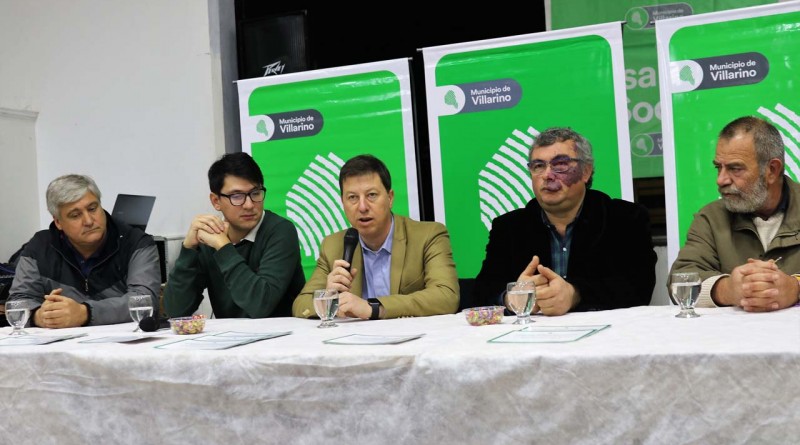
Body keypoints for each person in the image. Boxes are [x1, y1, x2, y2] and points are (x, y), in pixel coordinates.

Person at [474, 127, 657, 315]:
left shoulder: (626, 218)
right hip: (534, 332)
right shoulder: (509, 227)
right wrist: (511, 297)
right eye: (538, 166)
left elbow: (639, 288)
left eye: (560, 164)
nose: (547, 175)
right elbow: (481, 292)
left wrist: (575, 294)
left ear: (586, 171)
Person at [293, 154, 459, 320]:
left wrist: (374, 308)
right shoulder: (333, 246)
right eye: (352, 197)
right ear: (342, 203)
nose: (362, 207)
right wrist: (328, 297)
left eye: (371, 195)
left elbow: (447, 296)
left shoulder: (428, 236)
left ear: (390, 198)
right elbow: (300, 305)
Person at [671, 116, 800, 312]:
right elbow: (680, 280)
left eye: (735, 168)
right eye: (718, 167)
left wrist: (795, 288)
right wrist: (727, 289)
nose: (721, 180)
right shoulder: (711, 218)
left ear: (772, 170)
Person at [164, 152, 305, 318]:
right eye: (237, 196)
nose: (249, 205)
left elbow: (260, 305)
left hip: (282, 333)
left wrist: (223, 247)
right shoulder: (210, 237)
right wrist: (189, 249)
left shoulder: (280, 231)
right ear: (216, 201)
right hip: (228, 333)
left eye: (255, 193)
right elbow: (175, 311)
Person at [9, 175, 160, 327]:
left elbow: (145, 300)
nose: (88, 221)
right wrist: (40, 316)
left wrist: (85, 313)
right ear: (58, 222)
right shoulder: (40, 247)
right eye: (75, 215)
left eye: (92, 209)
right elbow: (16, 303)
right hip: (62, 340)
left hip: (124, 340)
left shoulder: (136, 242)